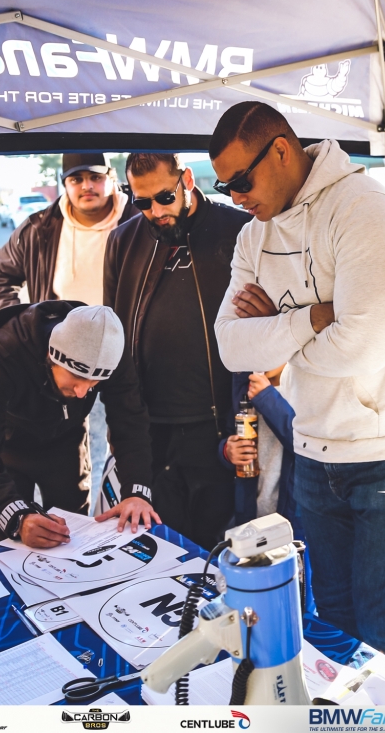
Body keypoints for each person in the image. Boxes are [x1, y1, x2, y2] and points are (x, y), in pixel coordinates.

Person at [211, 102, 385, 682]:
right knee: (335, 623)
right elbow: (232, 348)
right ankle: (363, 719)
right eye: (224, 186)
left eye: (242, 181)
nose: (236, 197)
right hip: (314, 447)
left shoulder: (365, 210)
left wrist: (276, 333)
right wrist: (313, 318)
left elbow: (361, 348)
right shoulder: (252, 237)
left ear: (281, 151)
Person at [104, 153, 249, 550]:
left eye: (164, 198)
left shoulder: (240, 230)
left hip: (217, 433)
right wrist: (123, 435)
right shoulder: (122, 241)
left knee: (216, 554)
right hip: (151, 433)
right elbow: (114, 342)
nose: (155, 211)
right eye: (142, 202)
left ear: (186, 180)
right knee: (161, 552)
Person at [0, 153, 138, 496]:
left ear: (111, 177)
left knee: (122, 446)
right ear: (64, 184)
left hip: (122, 360)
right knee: (74, 455)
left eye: (95, 177)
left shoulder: (137, 220)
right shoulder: (40, 227)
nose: (87, 186)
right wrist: (17, 328)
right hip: (62, 365)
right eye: (76, 179)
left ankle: (110, 515)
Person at [0, 302, 158, 548]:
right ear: (51, 356)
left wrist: (136, 493)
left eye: (93, 384)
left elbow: (130, 423)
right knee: (8, 539)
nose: (82, 392)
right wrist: (17, 519)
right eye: (77, 378)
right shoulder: (1, 354)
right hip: (10, 446)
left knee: (72, 536)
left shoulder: (110, 352)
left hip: (67, 442)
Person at [220, 366, 298, 529]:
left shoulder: (304, 385)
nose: (261, 359)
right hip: (249, 512)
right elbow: (228, 432)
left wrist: (267, 398)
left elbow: (307, 445)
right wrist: (227, 450)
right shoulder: (244, 381)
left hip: (291, 517)